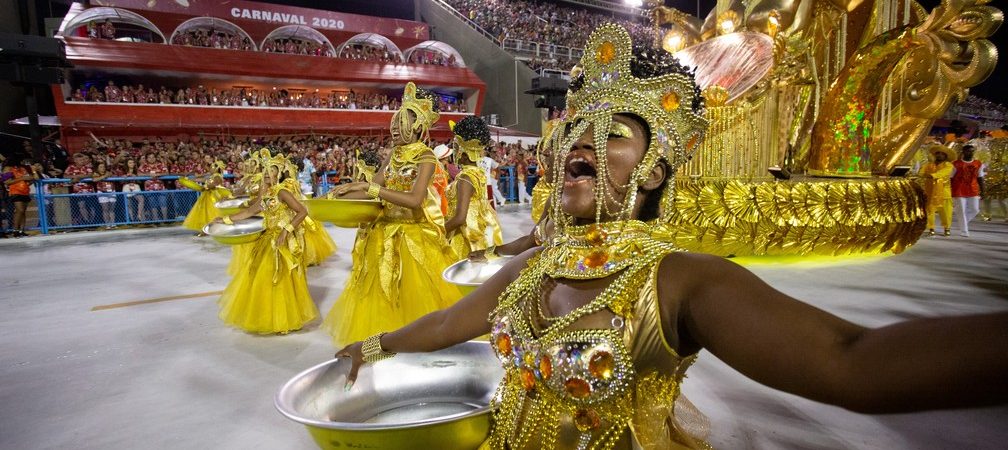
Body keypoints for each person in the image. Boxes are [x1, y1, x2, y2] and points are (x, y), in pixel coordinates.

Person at [334, 25, 1008, 450]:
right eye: (574, 130)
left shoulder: (682, 279)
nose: (581, 141)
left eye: (613, 134)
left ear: (652, 169)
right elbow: (453, 321)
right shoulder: (536, 264)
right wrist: (369, 347)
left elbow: (851, 361)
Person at [324, 82, 462, 346]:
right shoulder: (392, 155)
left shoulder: (426, 158)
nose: (395, 129)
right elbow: (372, 188)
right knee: (382, 300)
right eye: (395, 123)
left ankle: (413, 345)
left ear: (419, 126)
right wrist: (339, 193)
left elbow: (414, 200)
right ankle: (384, 347)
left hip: (413, 241)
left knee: (414, 301)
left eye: (403, 124)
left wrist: (371, 188)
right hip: (382, 236)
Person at [212, 153, 318, 334]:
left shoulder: (283, 192)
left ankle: (283, 319)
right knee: (263, 276)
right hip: (267, 238)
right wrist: (226, 219)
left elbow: (302, 211)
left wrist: (286, 230)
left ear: (278, 174)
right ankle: (266, 317)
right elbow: (250, 211)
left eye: (271, 171)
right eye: (265, 171)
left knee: (279, 278)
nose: (267, 174)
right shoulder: (266, 193)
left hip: (281, 241)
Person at [444, 116, 503, 260]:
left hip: (464, 236)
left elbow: (459, 218)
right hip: (481, 231)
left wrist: (438, 232)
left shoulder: (465, 178)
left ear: (462, 152)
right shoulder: (479, 172)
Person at [182, 160, 231, 235]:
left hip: (213, 197)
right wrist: (189, 180)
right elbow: (203, 180)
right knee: (205, 213)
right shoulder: (212, 176)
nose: (209, 169)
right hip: (208, 195)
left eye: (211, 168)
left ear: (216, 169)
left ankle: (214, 229)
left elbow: (214, 184)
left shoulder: (217, 176)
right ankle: (206, 229)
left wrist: (204, 187)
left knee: (212, 212)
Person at [921, 145, 956, 236]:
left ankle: (947, 228)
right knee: (929, 211)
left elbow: (943, 173)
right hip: (930, 192)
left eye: (942, 154)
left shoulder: (948, 165)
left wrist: (932, 175)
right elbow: (921, 173)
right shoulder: (928, 165)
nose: (939, 155)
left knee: (946, 212)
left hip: (944, 193)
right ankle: (931, 229)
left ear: (945, 156)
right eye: (937, 153)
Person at [951, 144, 985, 237]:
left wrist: (983, 190)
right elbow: (950, 178)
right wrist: (949, 190)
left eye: (972, 151)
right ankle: (964, 231)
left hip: (973, 189)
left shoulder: (978, 163)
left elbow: (980, 177)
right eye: (968, 151)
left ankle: (963, 222)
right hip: (958, 190)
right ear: (963, 152)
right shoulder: (956, 164)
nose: (971, 152)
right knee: (961, 210)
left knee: (975, 210)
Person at [2, 157, 34, 236]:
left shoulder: (23, 168)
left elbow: (30, 178)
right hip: (15, 191)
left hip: (25, 191)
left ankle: (21, 230)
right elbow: (7, 182)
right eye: (21, 160)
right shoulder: (8, 168)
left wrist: (31, 179)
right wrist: (22, 178)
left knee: (23, 212)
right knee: (20, 210)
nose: (23, 161)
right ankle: (15, 229)